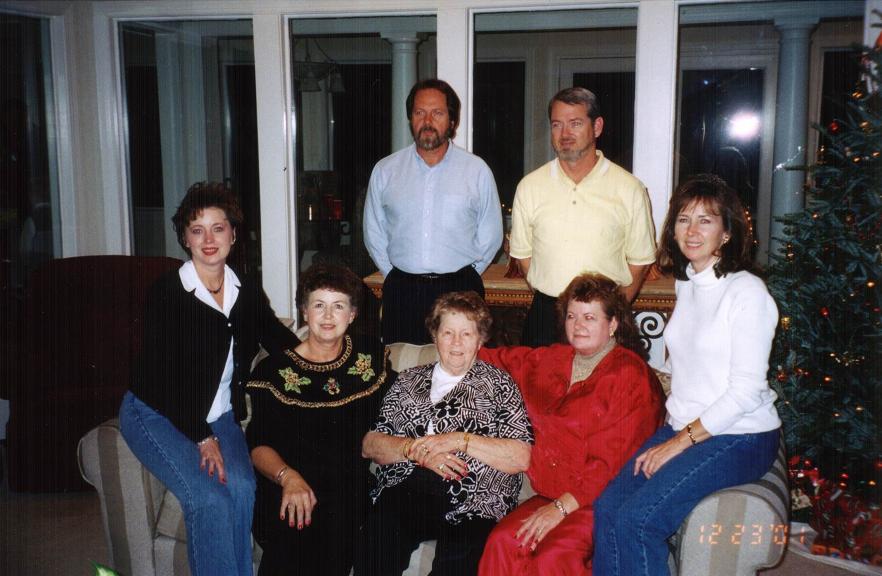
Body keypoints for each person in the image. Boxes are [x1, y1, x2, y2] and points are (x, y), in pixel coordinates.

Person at [593, 174, 781, 576]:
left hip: (740, 435)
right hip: (684, 424)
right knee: (608, 509)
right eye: (683, 219)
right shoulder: (688, 283)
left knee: (639, 522)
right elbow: (686, 364)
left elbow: (745, 393)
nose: (692, 231)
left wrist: (677, 443)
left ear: (727, 232)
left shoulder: (748, 293)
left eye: (705, 220)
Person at [119, 182, 298, 576]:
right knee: (208, 499)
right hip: (156, 414)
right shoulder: (168, 292)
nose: (209, 240)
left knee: (243, 488)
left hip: (219, 415)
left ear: (233, 233)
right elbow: (161, 378)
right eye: (197, 230)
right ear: (185, 238)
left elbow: (278, 339)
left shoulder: (244, 291)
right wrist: (202, 437)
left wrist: (325, 357)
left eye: (218, 228)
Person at [477, 273, 665, 575]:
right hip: (550, 494)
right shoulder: (552, 360)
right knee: (502, 542)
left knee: (553, 556)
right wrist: (457, 344)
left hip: (604, 501)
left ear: (613, 324)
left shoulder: (630, 376)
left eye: (590, 317)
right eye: (572, 316)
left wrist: (561, 508)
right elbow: (502, 360)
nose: (578, 325)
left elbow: (612, 464)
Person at [355, 291, 533, 576]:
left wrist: (458, 440)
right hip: (409, 488)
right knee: (378, 544)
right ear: (435, 336)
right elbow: (371, 444)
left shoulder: (499, 385)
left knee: (458, 562)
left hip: (476, 497)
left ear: (480, 339)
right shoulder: (408, 380)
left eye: (466, 333)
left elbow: (521, 456)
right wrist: (416, 451)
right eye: (448, 332)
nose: (456, 342)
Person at [246, 264, 393, 575]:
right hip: (289, 483)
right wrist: (289, 478)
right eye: (319, 305)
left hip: (346, 489)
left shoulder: (369, 358)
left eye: (338, 306)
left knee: (335, 532)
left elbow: (402, 401)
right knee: (292, 538)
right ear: (304, 311)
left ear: (352, 314)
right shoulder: (274, 372)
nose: (328, 316)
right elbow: (258, 445)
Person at [510, 87, 657, 347]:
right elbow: (523, 257)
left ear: (597, 127)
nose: (565, 133)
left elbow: (640, 260)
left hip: (604, 318)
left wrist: (612, 311)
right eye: (557, 124)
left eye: (575, 123)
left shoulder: (629, 188)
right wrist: (557, 300)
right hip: (546, 318)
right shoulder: (529, 187)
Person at [363, 79, 503, 345]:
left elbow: (491, 235)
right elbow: (374, 233)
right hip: (403, 292)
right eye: (419, 112)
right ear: (410, 118)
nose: (427, 121)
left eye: (437, 113)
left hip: (461, 290)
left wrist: (467, 274)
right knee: (402, 366)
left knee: (461, 365)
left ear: (452, 120)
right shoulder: (386, 171)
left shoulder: (476, 171)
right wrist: (394, 274)